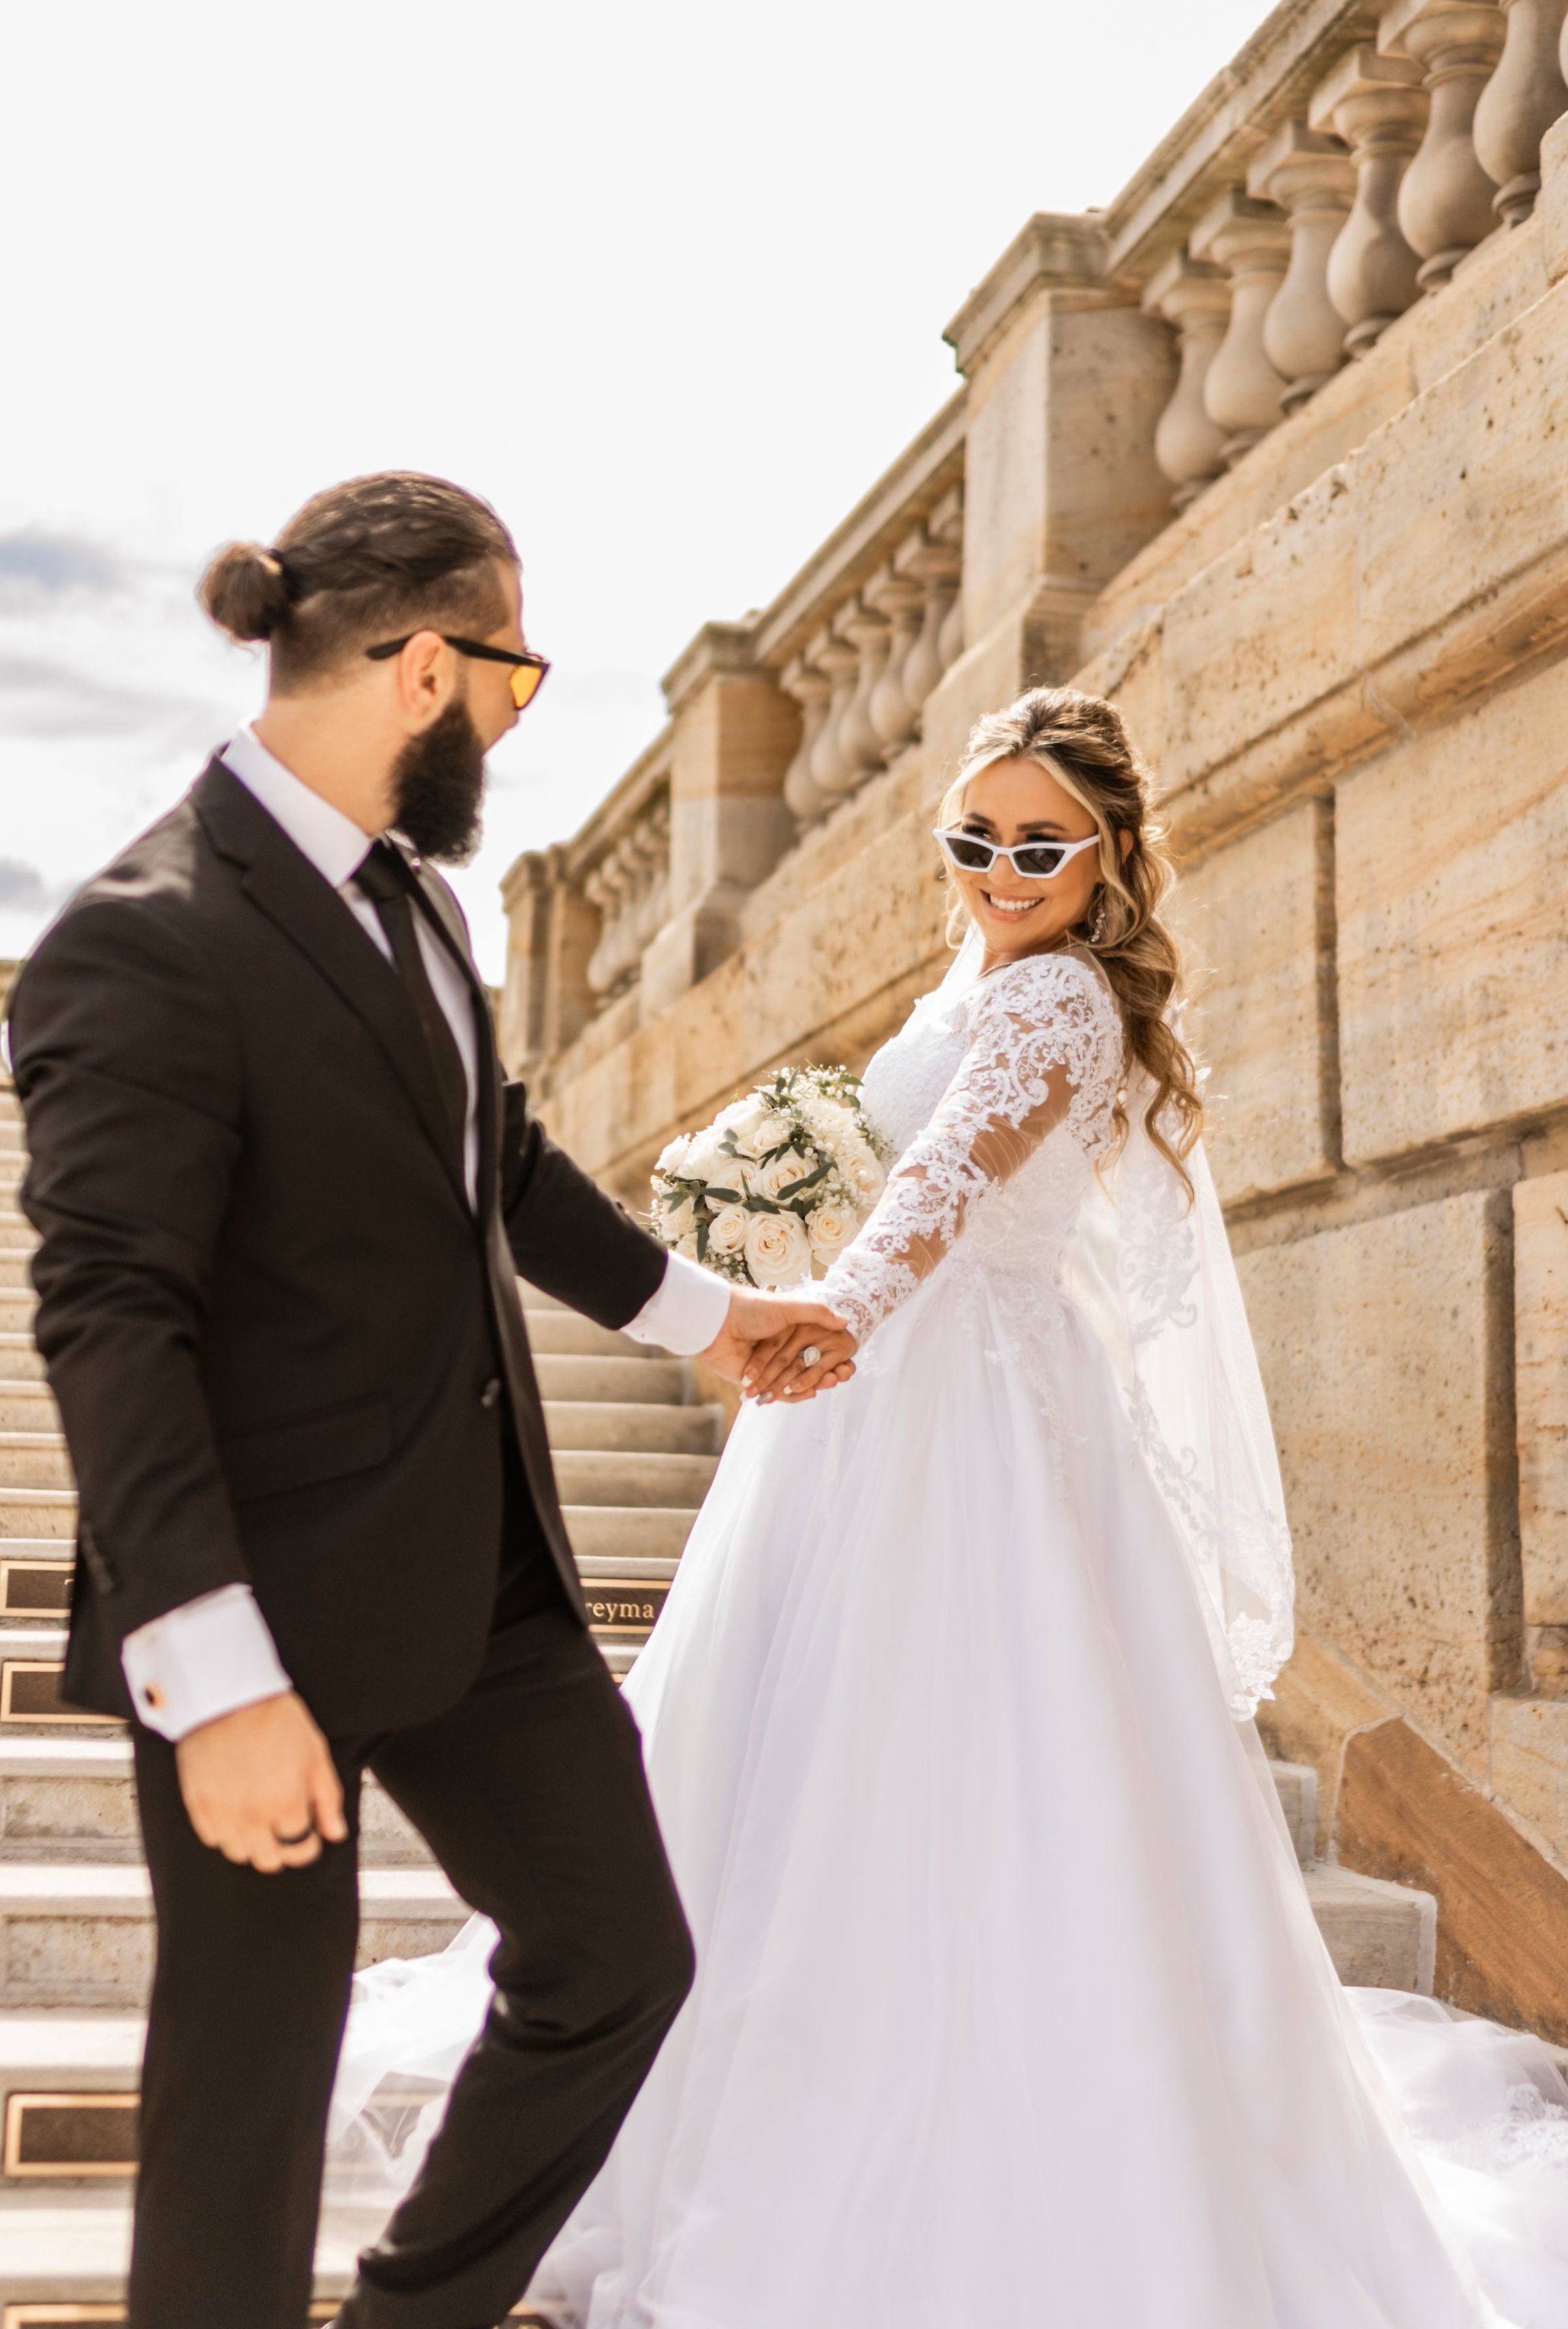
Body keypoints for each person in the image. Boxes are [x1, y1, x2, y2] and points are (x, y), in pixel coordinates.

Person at [335, 685, 1568, 2327]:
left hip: (972, 1406)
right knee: (794, 1746)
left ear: (1111, 851)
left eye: (1040, 843)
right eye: (973, 837)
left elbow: (942, 1188)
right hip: (875, 1402)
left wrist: (821, 1314)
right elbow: (882, 1158)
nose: (1001, 867)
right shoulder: (975, 975)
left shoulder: (1063, 1003)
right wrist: (783, 1262)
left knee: (964, 1755)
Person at [5, 470, 844, 2329]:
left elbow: (504, 1166)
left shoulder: (420, 906)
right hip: (257, 1615)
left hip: (480, 1587)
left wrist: (710, 1318)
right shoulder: (141, 937)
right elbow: (108, 1319)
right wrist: (211, 1678)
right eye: (511, 680)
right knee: (250, 2081)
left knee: (617, 1960)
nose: (509, 724)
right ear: (416, 666)